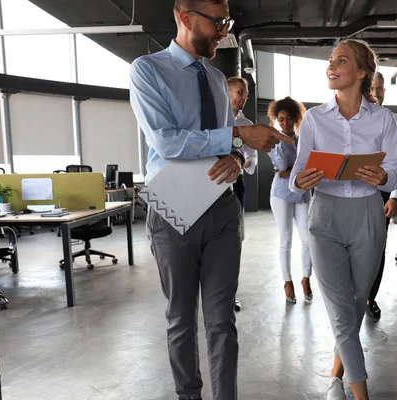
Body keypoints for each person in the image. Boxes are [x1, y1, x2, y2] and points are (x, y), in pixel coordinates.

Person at [129, 1, 292, 399]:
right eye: (218, 22)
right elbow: (167, 142)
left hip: (220, 209)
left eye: (227, 22)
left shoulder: (219, 80)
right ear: (185, 18)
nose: (224, 30)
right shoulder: (147, 71)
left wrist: (238, 156)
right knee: (181, 319)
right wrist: (237, 139)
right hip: (173, 209)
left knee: (222, 321)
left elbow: (236, 144)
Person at [289, 39, 397, 400]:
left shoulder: (389, 121)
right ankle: (361, 393)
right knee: (341, 309)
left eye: (341, 60)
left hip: (368, 215)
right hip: (324, 214)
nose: (331, 66)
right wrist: (301, 180)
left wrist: (382, 178)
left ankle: (336, 376)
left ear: (360, 72)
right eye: (329, 61)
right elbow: (297, 172)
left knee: (356, 303)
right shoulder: (314, 119)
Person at [366, 71, 397, 320]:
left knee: (377, 248)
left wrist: (395, 196)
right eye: (373, 88)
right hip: (353, 194)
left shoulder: (392, 122)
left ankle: (370, 297)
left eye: (381, 89)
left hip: (382, 194)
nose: (377, 93)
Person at [267, 96, 313, 303]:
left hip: (302, 193)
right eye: (281, 119)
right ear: (276, 120)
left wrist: (291, 170)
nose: (284, 123)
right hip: (281, 194)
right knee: (286, 240)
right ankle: (287, 282)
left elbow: (302, 167)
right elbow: (282, 166)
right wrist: (279, 145)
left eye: (288, 119)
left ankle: (305, 278)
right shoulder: (274, 140)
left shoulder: (303, 139)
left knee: (307, 240)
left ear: (295, 119)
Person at [227, 76, 258, 312]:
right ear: (226, 92)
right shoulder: (211, 119)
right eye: (239, 92)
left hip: (235, 186)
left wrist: (242, 160)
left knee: (234, 240)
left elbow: (253, 159)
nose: (243, 97)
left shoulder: (247, 124)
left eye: (246, 93)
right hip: (207, 187)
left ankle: (229, 295)